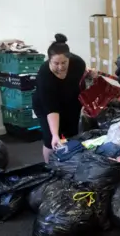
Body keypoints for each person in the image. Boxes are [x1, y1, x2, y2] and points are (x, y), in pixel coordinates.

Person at [32, 33, 94, 163]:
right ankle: (49, 167)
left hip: (70, 101)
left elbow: (82, 79)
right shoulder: (44, 76)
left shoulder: (78, 63)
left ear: (69, 58)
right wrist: (55, 134)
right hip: (46, 106)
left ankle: (68, 166)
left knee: (72, 134)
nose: (60, 67)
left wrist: (89, 73)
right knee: (51, 140)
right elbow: (51, 108)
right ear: (49, 60)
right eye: (56, 63)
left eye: (64, 62)